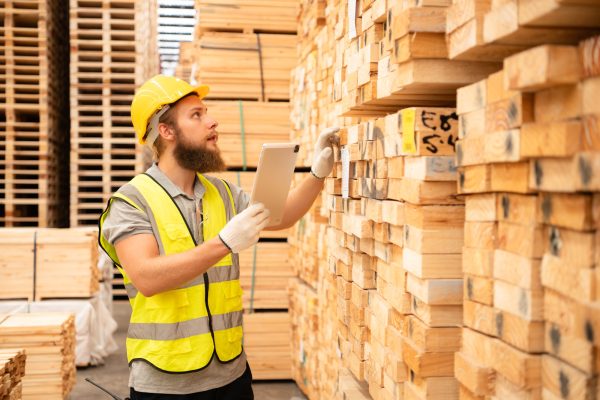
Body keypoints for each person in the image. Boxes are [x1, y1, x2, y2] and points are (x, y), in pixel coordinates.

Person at [98, 74, 339, 400]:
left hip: (231, 375)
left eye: (206, 112)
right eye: (196, 115)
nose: (212, 122)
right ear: (167, 131)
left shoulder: (221, 193)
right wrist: (223, 243)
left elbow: (280, 215)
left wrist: (317, 174)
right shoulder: (132, 201)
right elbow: (146, 277)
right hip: (167, 383)